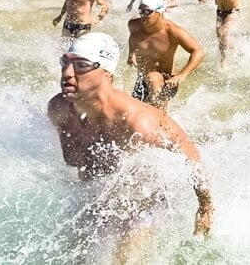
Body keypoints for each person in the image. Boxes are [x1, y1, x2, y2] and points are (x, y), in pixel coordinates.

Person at [48, 33, 213, 259]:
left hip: (141, 202)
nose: (67, 73)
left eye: (81, 65)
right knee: (70, 258)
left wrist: (205, 207)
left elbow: (190, 155)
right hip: (98, 196)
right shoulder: (59, 109)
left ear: (107, 73)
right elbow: (75, 164)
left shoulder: (138, 121)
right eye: (65, 62)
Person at [127, 0, 204, 111]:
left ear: (160, 11)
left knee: (153, 82)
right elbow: (133, 37)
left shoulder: (172, 32)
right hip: (142, 80)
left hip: (164, 81)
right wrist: (131, 53)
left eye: (147, 12)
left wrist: (182, 75)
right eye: (141, 11)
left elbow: (198, 51)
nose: (143, 15)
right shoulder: (133, 25)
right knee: (133, 113)